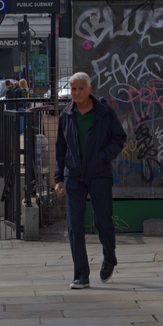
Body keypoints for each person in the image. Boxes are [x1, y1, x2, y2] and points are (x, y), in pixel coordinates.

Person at [54, 72, 126, 289]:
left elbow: (119, 137)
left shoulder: (104, 112)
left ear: (89, 90)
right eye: (73, 89)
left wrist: (103, 157)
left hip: (99, 174)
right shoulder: (66, 115)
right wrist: (59, 179)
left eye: (80, 89)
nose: (76, 93)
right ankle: (81, 274)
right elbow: (61, 148)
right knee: (74, 225)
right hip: (74, 175)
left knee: (102, 221)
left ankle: (109, 257)